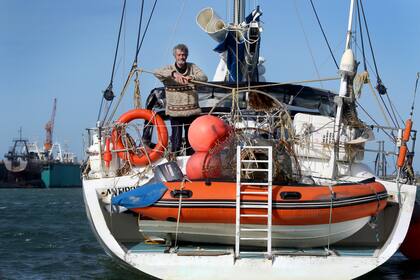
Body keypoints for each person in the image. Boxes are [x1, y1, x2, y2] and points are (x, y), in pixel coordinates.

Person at [154, 44, 208, 156]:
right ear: (175, 56)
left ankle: (190, 162)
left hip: (191, 111)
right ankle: (175, 161)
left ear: (187, 56)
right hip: (175, 112)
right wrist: (173, 74)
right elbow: (156, 72)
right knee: (176, 141)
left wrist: (192, 78)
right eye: (179, 55)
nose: (181, 57)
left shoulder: (192, 67)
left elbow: (204, 78)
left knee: (191, 140)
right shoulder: (169, 69)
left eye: (183, 55)